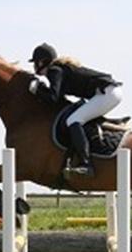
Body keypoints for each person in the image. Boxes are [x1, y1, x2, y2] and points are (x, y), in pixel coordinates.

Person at [28, 43, 123, 177]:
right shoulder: (59, 69)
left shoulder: (54, 70)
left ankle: (86, 164)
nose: (34, 67)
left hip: (107, 93)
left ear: (42, 62)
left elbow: (53, 97)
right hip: (107, 92)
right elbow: (58, 96)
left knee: (73, 120)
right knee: (78, 116)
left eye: (35, 63)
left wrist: (38, 90)